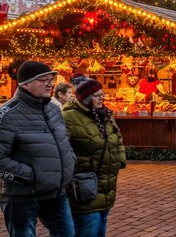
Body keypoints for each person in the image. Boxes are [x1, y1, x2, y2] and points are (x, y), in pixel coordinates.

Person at [0, 60, 76, 237]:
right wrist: (31, 175)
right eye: (43, 80)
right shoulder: (5, 114)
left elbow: (64, 142)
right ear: (25, 83)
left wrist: (69, 165)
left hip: (55, 192)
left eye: (50, 79)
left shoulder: (53, 110)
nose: (49, 84)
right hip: (21, 196)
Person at [62, 76, 127, 236]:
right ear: (85, 98)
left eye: (102, 94)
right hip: (84, 185)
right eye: (97, 95)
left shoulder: (105, 115)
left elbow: (117, 138)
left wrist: (120, 160)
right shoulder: (69, 117)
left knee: (100, 229)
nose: (102, 98)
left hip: (107, 184)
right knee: (89, 228)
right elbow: (61, 149)